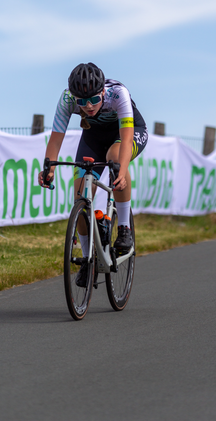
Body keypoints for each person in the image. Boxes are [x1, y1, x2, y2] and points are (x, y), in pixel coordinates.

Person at [38, 62, 148, 286]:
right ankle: (88, 260)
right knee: (80, 195)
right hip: (94, 139)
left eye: (94, 100)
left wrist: (123, 171)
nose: (88, 106)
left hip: (129, 133)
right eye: (82, 102)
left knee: (115, 159)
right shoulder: (67, 99)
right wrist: (48, 168)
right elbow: (56, 139)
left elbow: (126, 139)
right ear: (74, 97)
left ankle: (124, 228)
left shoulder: (118, 93)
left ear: (102, 93)